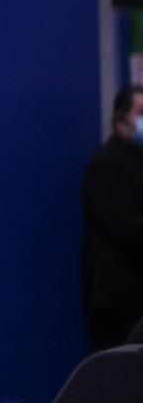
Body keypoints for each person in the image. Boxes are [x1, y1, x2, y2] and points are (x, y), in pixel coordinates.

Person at [80, 84, 143, 351]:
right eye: (141, 112)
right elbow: (129, 231)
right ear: (120, 118)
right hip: (119, 304)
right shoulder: (106, 167)